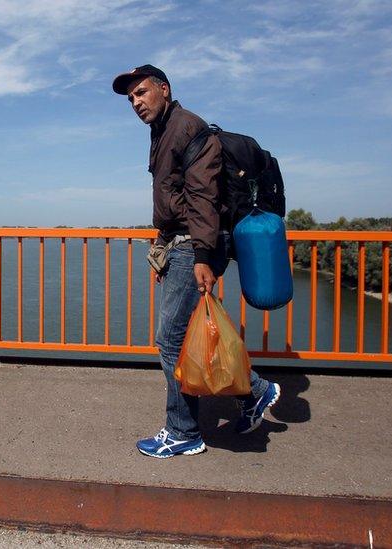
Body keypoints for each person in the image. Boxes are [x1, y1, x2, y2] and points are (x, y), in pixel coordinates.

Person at [112, 64, 281, 459]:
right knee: (189, 337)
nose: (136, 102)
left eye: (142, 92)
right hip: (182, 245)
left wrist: (202, 256)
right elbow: (174, 201)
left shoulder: (187, 127)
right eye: (131, 97)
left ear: (164, 89)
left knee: (169, 341)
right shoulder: (163, 131)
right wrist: (162, 252)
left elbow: (203, 197)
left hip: (195, 245)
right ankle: (256, 391)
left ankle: (183, 431)